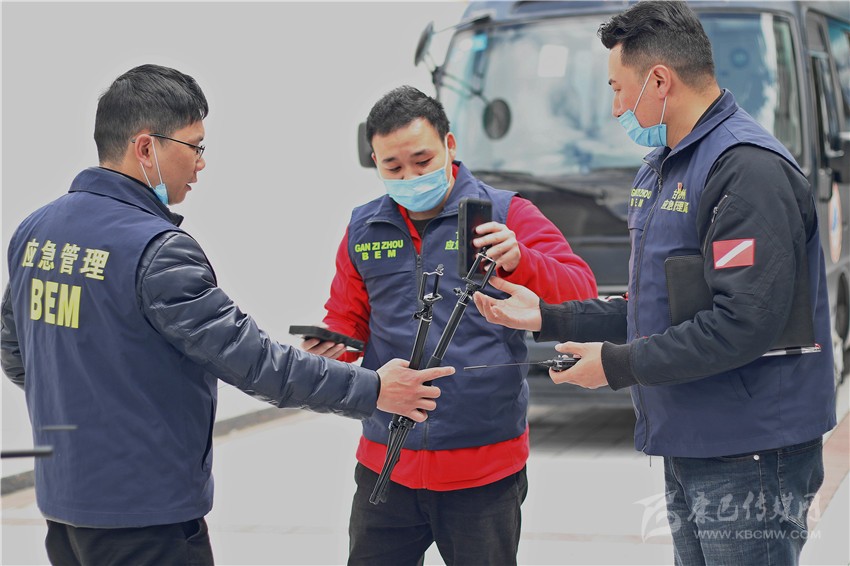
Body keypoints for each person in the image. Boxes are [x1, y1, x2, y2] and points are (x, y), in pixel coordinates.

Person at [0, 64, 454, 566]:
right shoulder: (157, 251)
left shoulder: (36, 232)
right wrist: (374, 388)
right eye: (194, 146)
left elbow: (15, 352)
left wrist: (88, 403)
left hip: (65, 507)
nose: (200, 164)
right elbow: (255, 363)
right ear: (146, 148)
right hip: (145, 516)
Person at [473, 2, 836, 564]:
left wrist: (616, 366)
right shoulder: (665, 165)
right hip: (693, 435)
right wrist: (550, 316)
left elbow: (742, 323)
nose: (615, 106)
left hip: (752, 449)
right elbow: (658, 307)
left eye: (619, 89)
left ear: (660, 81)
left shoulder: (746, 171)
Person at [301, 85, 597, 565]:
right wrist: (332, 347)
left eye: (422, 161)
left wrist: (521, 259)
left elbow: (581, 292)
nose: (410, 177)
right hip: (386, 461)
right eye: (393, 167)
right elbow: (348, 320)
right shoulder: (363, 228)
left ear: (450, 145)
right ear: (374, 162)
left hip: (483, 467)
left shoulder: (506, 214)